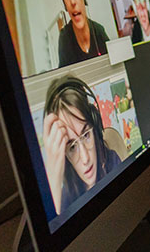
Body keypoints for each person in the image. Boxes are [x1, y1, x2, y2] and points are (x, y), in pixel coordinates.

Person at [42, 75, 122, 215]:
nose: (85, 158)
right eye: (72, 147)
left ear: (95, 126)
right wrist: (53, 182)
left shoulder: (111, 162)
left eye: (86, 135)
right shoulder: (65, 198)